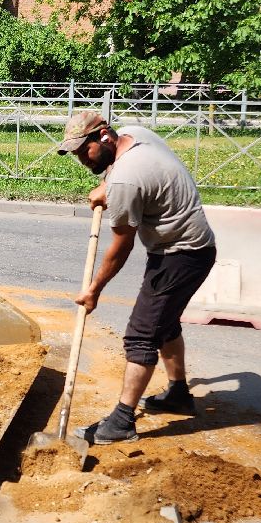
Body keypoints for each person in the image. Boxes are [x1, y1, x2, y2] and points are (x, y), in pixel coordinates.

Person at [56, 111, 217, 444]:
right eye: (74, 153)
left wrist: (94, 290)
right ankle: (177, 394)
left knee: (141, 336)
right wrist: (106, 185)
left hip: (181, 255)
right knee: (165, 324)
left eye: (83, 150)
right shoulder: (134, 135)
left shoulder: (125, 180)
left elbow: (121, 245)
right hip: (192, 247)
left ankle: (121, 422)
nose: (81, 159)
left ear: (103, 137)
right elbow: (123, 174)